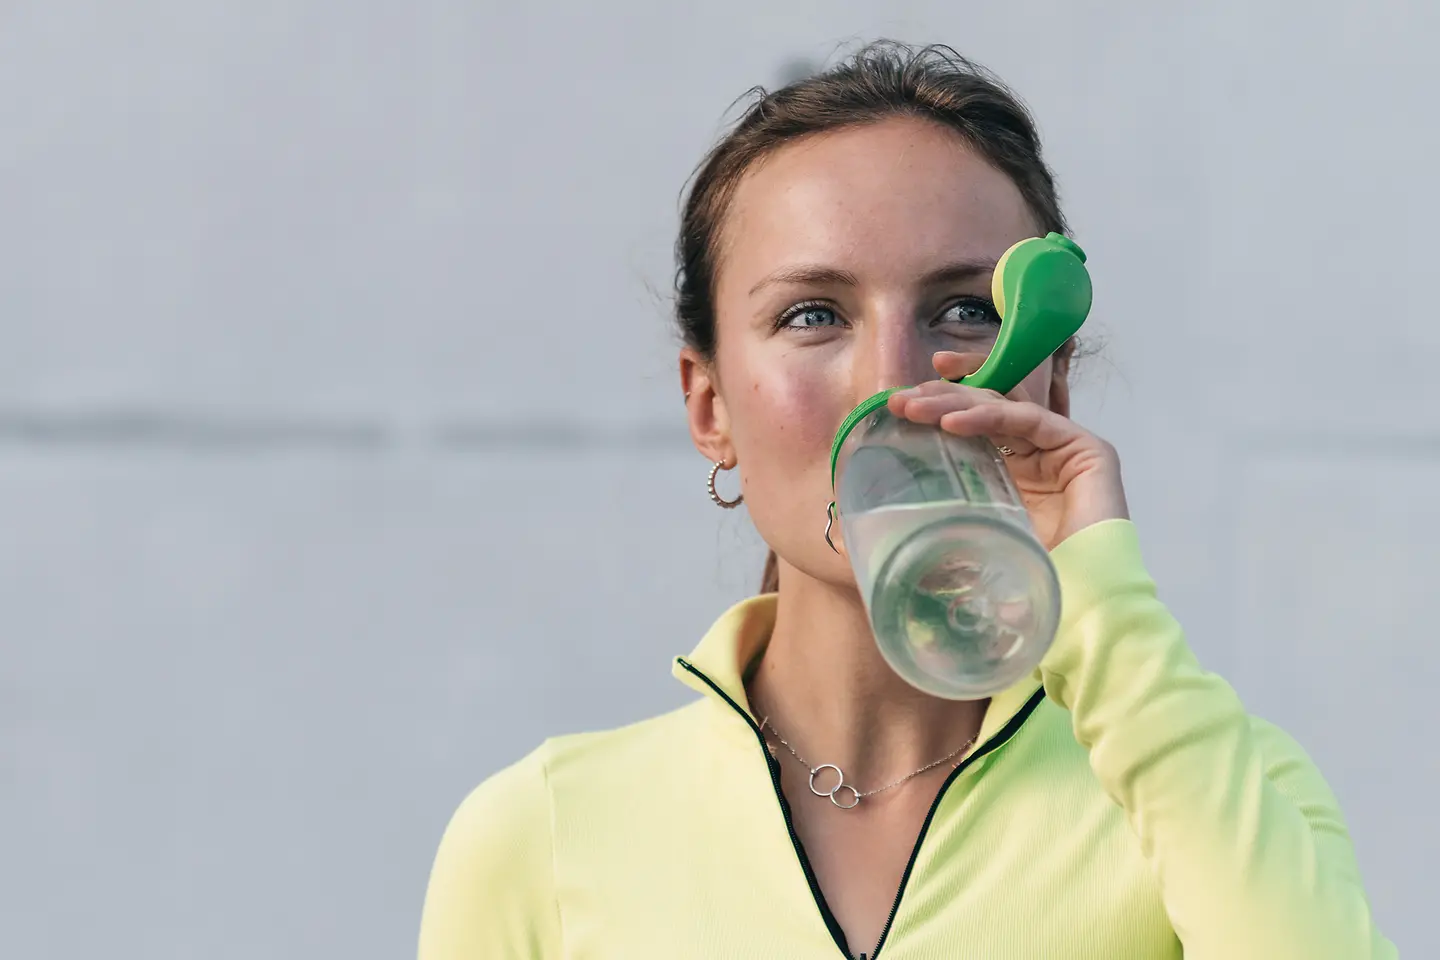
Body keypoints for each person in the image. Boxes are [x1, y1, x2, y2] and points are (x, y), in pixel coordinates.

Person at [417, 42, 1395, 959]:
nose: (893, 382)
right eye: (813, 314)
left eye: (964, 311)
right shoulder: (543, 837)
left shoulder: (1218, 794)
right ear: (709, 406)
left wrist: (1106, 604)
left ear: (1050, 380)